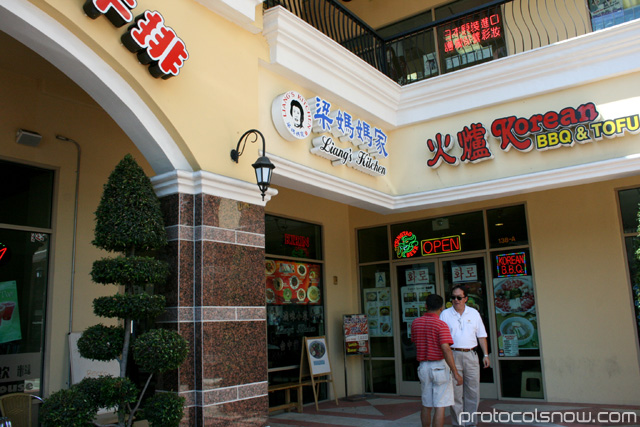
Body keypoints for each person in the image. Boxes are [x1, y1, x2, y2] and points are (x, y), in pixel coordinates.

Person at [440, 285, 490, 427]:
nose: (456, 300)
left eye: (459, 297)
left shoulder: (474, 313)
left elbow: (481, 336)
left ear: (466, 299)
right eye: (453, 297)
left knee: (473, 392)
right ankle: (458, 424)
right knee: (456, 393)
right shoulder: (445, 314)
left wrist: (485, 354)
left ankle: (471, 423)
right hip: (453, 355)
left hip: (471, 355)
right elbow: (442, 339)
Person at [411, 294, 463, 427]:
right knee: (440, 406)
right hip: (439, 367)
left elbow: (415, 341)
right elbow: (446, 348)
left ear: (426, 306)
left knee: (426, 404)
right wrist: (455, 372)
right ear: (441, 307)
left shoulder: (416, 323)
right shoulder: (441, 324)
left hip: (423, 367)